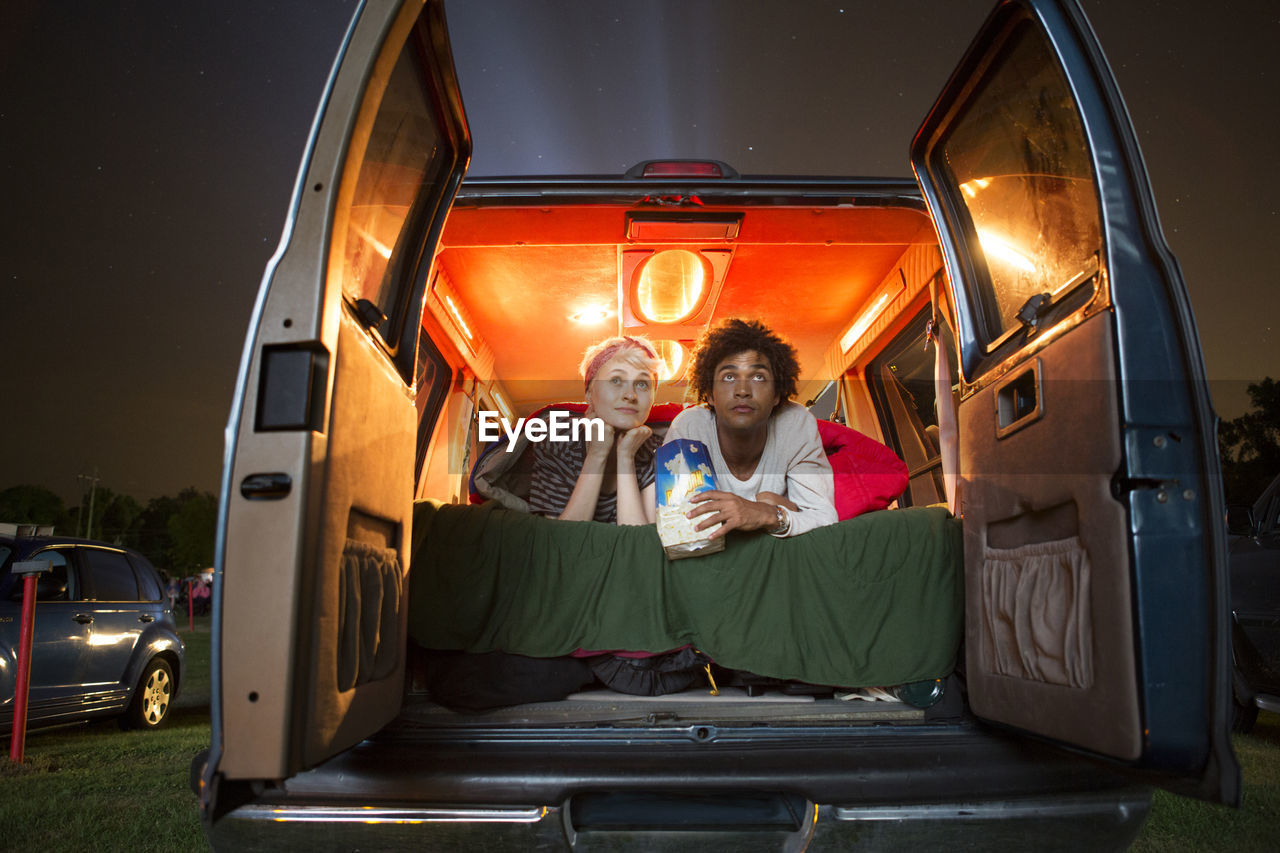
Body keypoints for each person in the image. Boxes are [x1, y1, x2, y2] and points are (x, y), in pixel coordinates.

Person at [664, 318, 837, 538]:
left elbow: (824, 519)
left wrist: (769, 514)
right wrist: (784, 506)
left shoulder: (796, 423)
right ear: (709, 394)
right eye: (728, 377)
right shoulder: (689, 428)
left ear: (776, 395)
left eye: (758, 377)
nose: (743, 390)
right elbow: (679, 525)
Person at [528, 335, 662, 525]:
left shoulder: (658, 451)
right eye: (616, 380)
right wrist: (597, 453)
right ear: (589, 393)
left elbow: (639, 544)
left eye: (642, 384)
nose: (630, 395)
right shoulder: (557, 438)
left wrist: (626, 458)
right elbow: (562, 541)